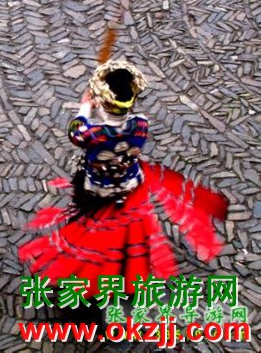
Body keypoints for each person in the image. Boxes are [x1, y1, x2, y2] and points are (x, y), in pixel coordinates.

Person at [18, 59, 228, 301]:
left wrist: (86, 107)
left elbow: (76, 130)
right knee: (129, 235)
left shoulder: (92, 134)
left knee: (89, 233)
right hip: (131, 188)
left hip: (98, 192)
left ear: (102, 102)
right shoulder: (141, 125)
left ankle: (89, 276)